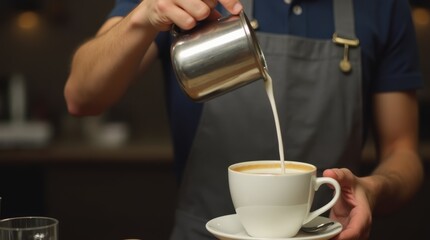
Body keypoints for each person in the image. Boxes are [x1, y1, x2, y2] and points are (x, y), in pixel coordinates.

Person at [64, 0, 424, 239]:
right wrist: (143, 17)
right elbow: (81, 95)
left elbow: (402, 150)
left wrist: (373, 190)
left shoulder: (383, 6)